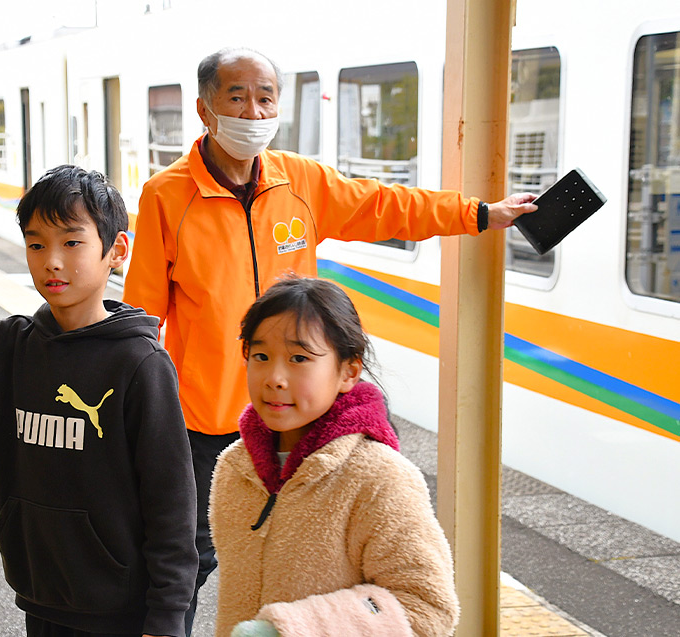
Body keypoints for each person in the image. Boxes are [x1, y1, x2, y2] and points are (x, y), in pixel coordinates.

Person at [122, 46, 535, 633]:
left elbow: (387, 206)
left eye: (265, 97)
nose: (253, 110)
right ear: (204, 108)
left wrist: (477, 214)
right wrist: (132, 410)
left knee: (301, 558)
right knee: (185, 559)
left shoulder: (301, 182)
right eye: (237, 97)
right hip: (206, 421)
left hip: (299, 415)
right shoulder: (167, 195)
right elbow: (142, 317)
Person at [0, 165, 198, 637]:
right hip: (40, 596)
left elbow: (172, 504)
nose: (52, 261)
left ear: (116, 251)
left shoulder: (139, 364)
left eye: (72, 242)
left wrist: (167, 619)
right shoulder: (5, 349)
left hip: (121, 610)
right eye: (36, 243)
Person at [209, 276, 459, 637]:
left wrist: (287, 631)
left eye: (299, 358)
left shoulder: (379, 477)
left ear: (349, 371)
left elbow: (427, 606)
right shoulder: (235, 468)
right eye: (261, 356)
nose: (275, 377)